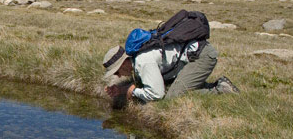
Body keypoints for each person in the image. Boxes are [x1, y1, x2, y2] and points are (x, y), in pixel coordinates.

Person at [102, 41, 239, 103]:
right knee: (172, 88)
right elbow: (144, 84)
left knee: (172, 98)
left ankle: (219, 88)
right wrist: (121, 90)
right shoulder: (138, 60)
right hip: (194, 56)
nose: (118, 76)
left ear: (124, 63)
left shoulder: (143, 62)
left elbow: (156, 94)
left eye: (116, 72)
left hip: (201, 57)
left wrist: (134, 91)